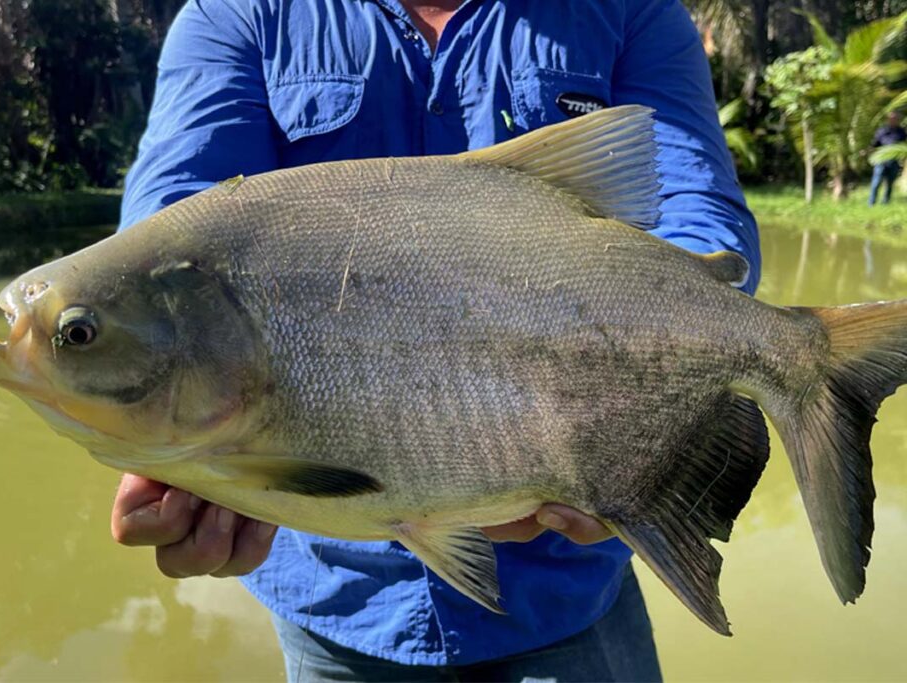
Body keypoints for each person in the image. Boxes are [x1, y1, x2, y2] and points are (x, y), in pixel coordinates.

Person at [112, 1, 760, 680]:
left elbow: (696, 209)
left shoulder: (630, 13)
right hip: (340, 600)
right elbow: (172, 241)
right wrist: (186, 439)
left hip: (568, 587)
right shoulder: (241, 14)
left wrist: (652, 400)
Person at [869, 111, 906, 206]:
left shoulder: (901, 132)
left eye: (896, 119)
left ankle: (885, 202)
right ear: (888, 120)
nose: (893, 120)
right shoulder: (882, 131)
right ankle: (871, 203)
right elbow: (874, 144)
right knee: (876, 182)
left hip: (894, 161)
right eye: (892, 119)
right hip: (881, 160)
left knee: (890, 183)